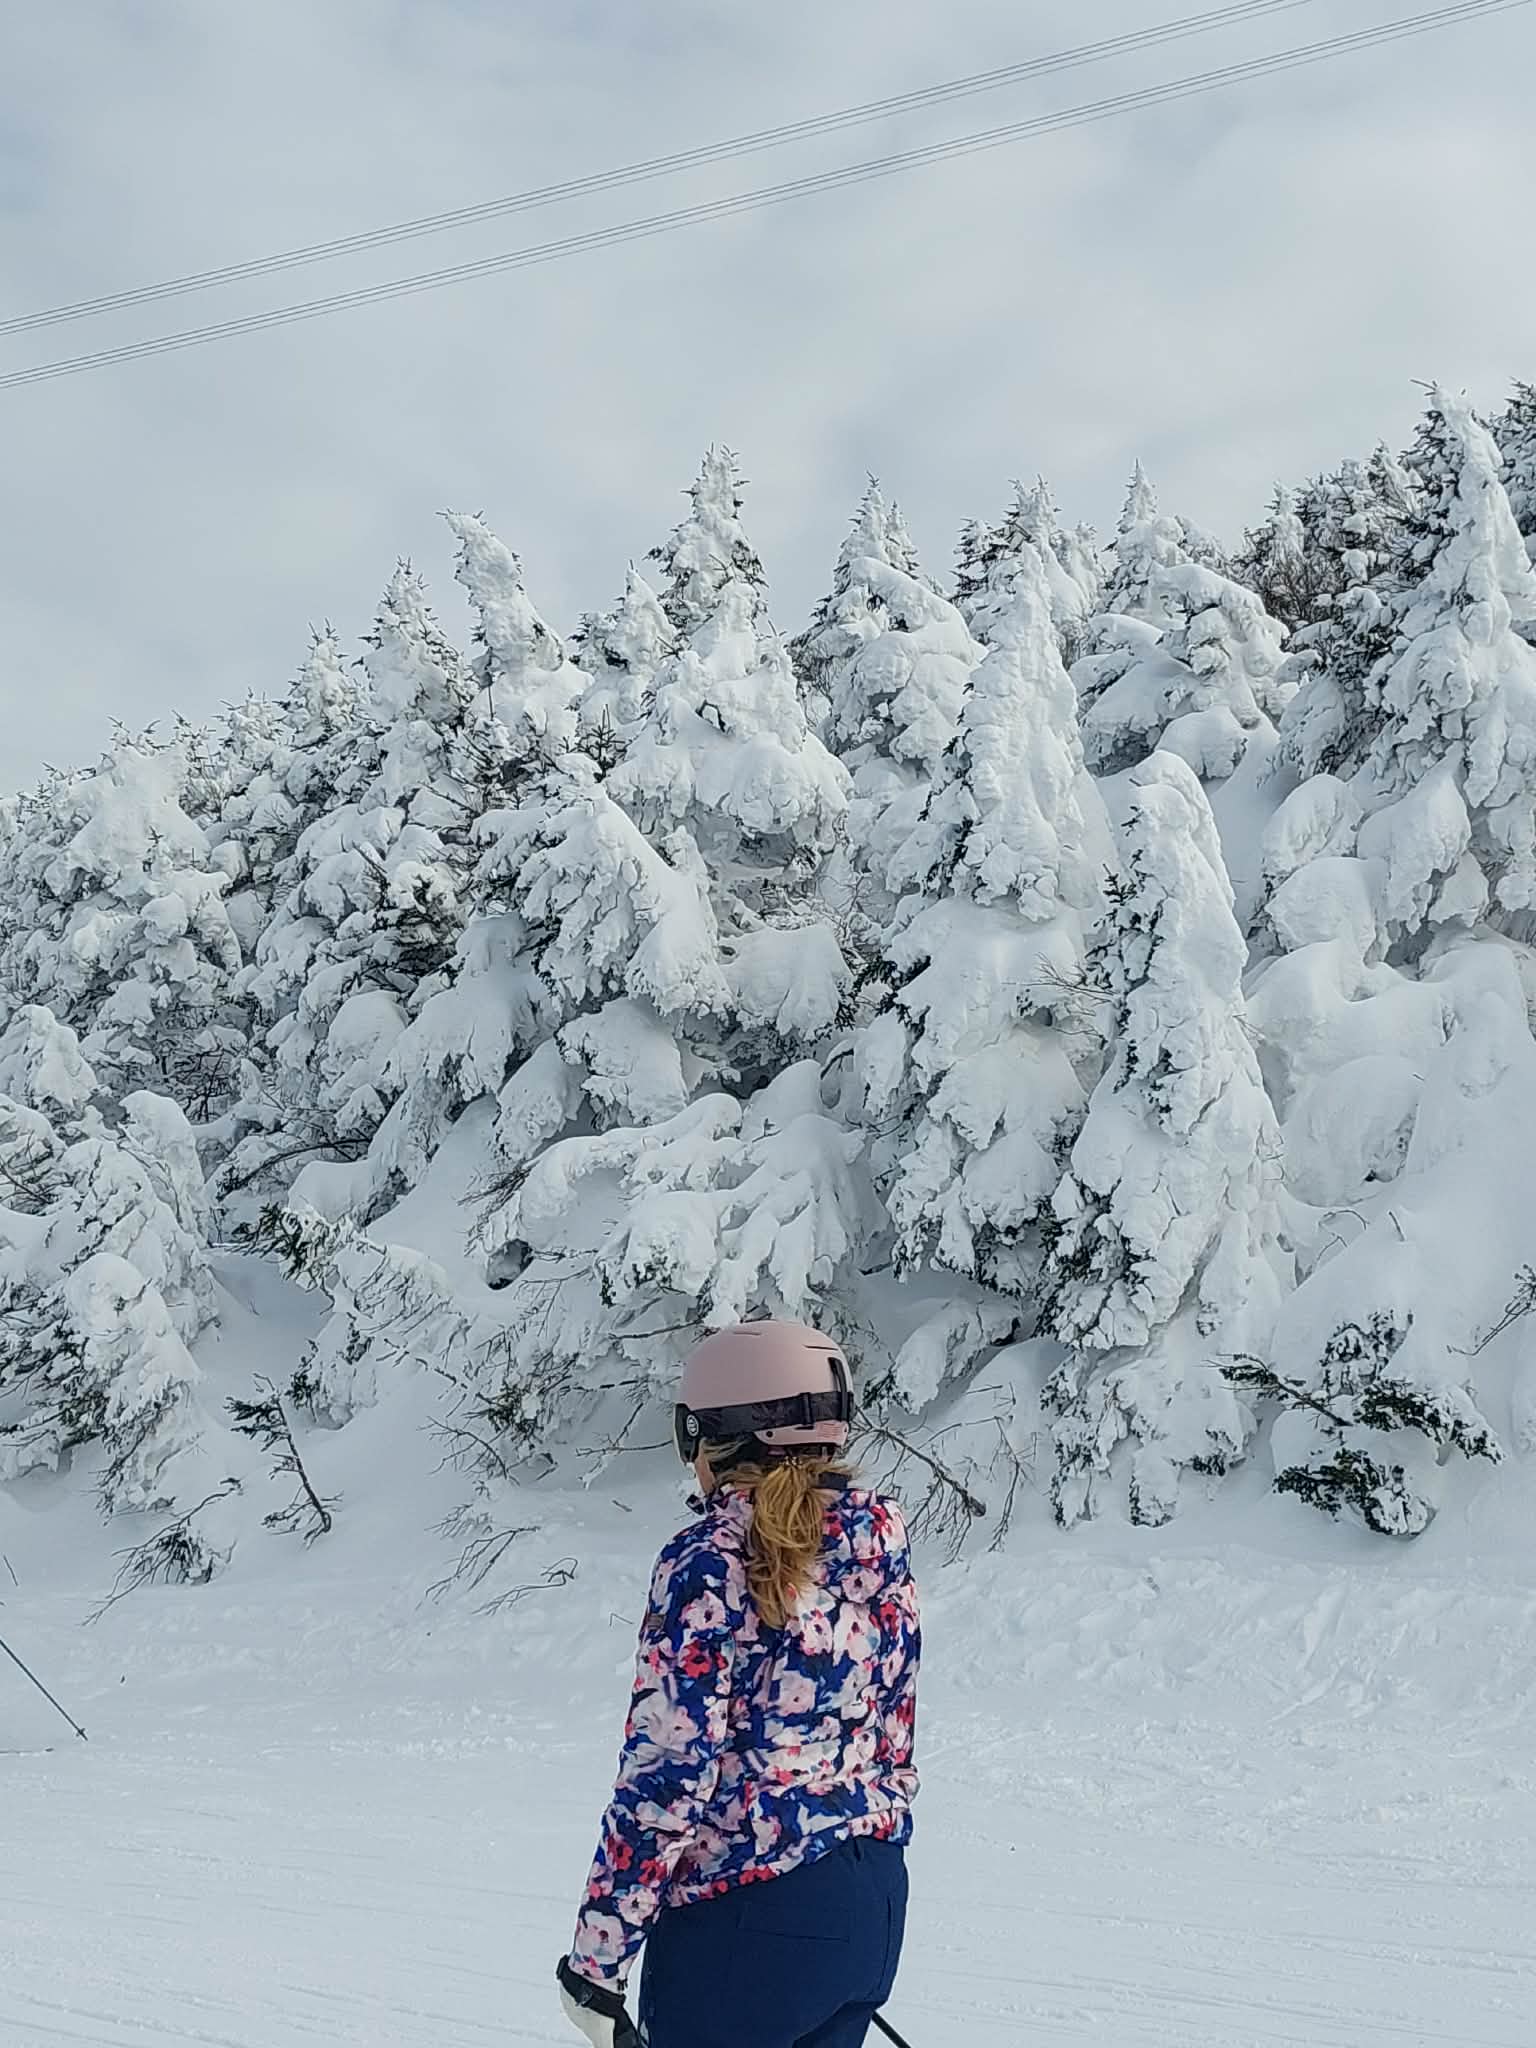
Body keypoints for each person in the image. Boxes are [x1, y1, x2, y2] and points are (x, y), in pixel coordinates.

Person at [556, 1319, 920, 2048]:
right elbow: (894, 1736)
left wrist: (598, 1960)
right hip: (870, 1901)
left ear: (715, 1437)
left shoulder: (708, 1561)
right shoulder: (877, 1543)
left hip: (745, 1918)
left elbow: (670, 1774)